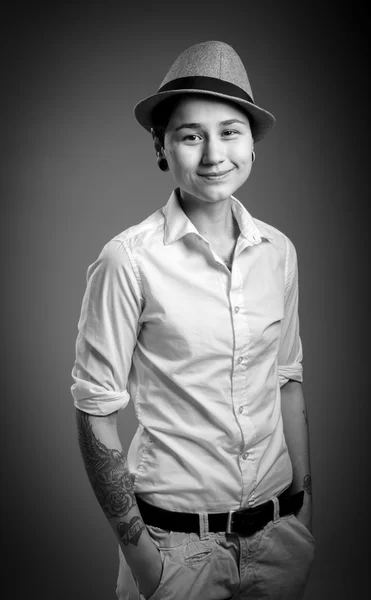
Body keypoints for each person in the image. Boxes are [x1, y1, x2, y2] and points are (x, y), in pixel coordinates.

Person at [71, 40, 315, 600]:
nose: (213, 153)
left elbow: (287, 379)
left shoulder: (279, 251)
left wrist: (304, 509)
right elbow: (94, 411)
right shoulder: (128, 260)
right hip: (176, 550)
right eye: (190, 135)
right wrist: (144, 558)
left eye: (230, 131)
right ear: (162, 145)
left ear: (253, 144)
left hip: (279, 539)